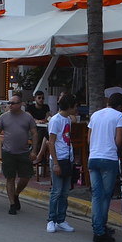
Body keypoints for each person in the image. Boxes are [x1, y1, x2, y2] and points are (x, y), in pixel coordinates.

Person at [88, 91, 122, 242]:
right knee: (105, 195)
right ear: (119, 106)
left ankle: (98, 226)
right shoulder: (119, 116)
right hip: (109, 158)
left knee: (97, 195)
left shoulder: (95, 115)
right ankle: (100, 230)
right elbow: (118, 140)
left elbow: (89, 138)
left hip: (94, 156)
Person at [0, 94, 38, 215]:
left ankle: (16, 194)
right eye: (9, 103)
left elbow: (34, 133)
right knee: (10, 178)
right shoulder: (4, 117)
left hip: (23, 152)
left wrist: (34, 151)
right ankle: (12, 203)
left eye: (13, 103)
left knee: (25, 177)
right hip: (8, 152)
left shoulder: (28, 117)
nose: (10, 105)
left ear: (20, 104)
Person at [46, 94, 77, 233]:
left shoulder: (68, 120)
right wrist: (56, 163)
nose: (76, 108)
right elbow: (51, 142)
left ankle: (61, 219)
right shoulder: (56, 120)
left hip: (68, 158)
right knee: (56, 191)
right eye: (75, 106)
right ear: (70, 107)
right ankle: (51, 220)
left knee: (64, 192)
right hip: (58, 159)